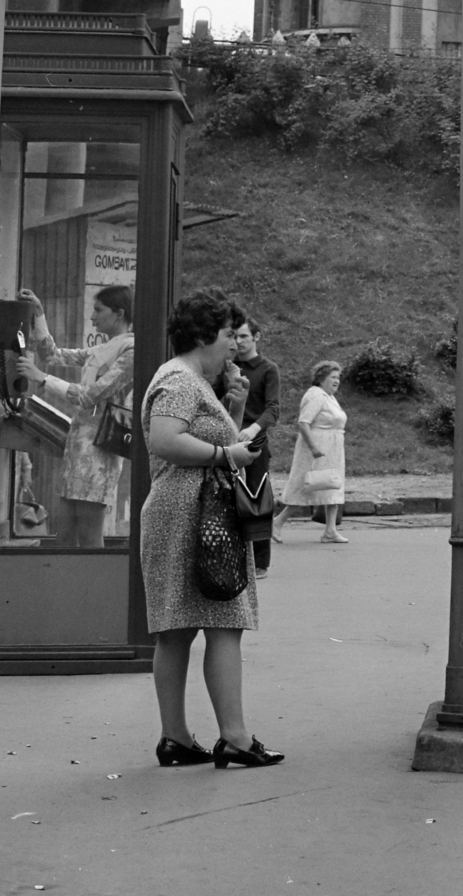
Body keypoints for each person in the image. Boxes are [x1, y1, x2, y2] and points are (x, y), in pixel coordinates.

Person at [141, 287, 282, 769]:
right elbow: (165, 439)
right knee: (225, 623)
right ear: (204, 336)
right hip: (196, 518)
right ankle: (236, 738)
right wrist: (227, 454)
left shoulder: (189, 378)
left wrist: (236, 412)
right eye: (227, 335)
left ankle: (176, 739)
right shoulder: (182, 380)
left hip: (185, 514)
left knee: (176, 629)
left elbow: (204, 436)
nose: (235, 346)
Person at [15, 284, 136, 549]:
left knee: (89, 531)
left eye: (98, 310)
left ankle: (93, 589)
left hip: (100, 449)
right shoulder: (105, 348)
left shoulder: (130, 351)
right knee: (66, 529)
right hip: (79, 444)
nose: (92, 317)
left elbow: (91, 395)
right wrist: (40, 315)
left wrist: (42, 378)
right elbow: (52, 355)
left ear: (119, 314)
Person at [274, 363, 350, 544]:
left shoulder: (330, 397)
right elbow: (303, 423)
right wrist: (314, 448)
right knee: (306, 486)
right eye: (333, 377)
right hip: (317, 449)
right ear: (321, 378)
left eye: (338, 377)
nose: (336, 381)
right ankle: (277, 522)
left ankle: (330, 531)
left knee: (333, 485)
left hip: (333, 448)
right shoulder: (315, 395)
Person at [231, 316, 280, 577]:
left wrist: (253, 428)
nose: (239, 342)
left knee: (257, 498)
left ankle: (260, 563)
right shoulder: (227, 368)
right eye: (235, 336)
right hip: (229, 439)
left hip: (255, 440)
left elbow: (273, 408)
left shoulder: (267, 369)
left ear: (256, 337)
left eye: (244, 337)